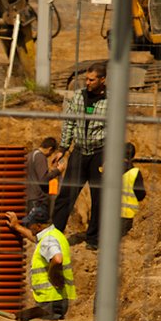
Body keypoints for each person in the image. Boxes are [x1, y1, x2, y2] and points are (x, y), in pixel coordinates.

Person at [51, 62, 108, 250]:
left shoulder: (111, 101)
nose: (88, 83)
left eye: (92, 80)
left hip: (99, 154)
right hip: (79, 152)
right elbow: (69, 123)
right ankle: (54, 237)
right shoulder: (79, 97)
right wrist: (63, 148)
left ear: (102, 80)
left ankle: (93, 239)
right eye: (86, 79)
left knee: (98, 198)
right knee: (66, 195)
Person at [5, 210, 76, 321]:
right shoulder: (55, 234)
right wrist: (17, 227)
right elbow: (36, 239)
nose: (28, 226)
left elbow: (57, 259)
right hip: (58, 299)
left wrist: (52, 275)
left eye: (30, 224)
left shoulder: (48, 240)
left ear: (38, 226)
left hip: (50, 301)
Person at [23, 136, 65, 226]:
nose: (50, 155)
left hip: (30, 198)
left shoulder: (31, 155)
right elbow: (43, 179)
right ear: (50, 149)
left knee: (30, 227)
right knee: (38, 228)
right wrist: (58, 171)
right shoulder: (40, 157)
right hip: (38, 200)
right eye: (51, 153)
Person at [120, 142, 147, 236]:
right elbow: (140, 195)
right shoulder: (135, 172)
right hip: (127, 215)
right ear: (132, 156)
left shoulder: (110, 170)